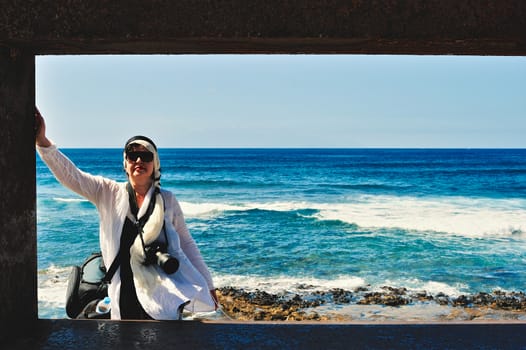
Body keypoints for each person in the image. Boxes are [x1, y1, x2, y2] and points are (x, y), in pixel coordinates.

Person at [35, 107, 218, 320]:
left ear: (154, 163)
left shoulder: (167, 200)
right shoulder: (108, 192)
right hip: (123, 292)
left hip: (160, 290)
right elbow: (72, 176)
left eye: (145, 156)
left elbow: (186, 244)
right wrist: (43, 141)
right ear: (126, 163)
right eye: (133, 155)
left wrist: (208, 284)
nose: (139, 161)